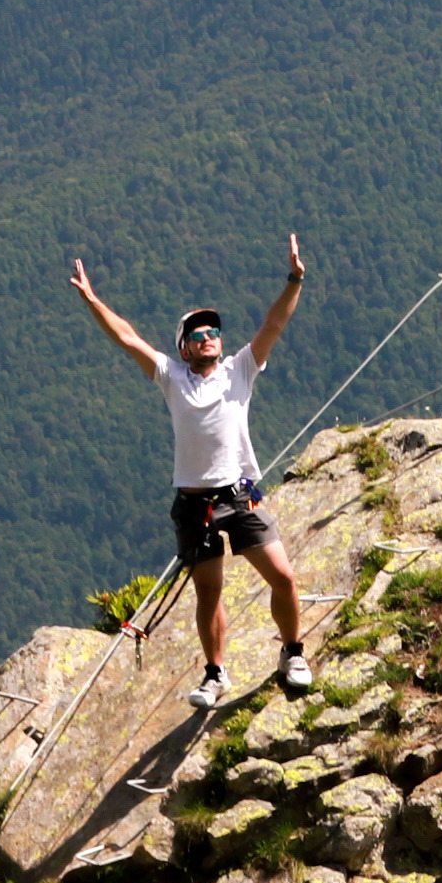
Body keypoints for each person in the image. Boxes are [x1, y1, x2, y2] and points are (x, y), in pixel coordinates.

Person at [71, 237, 312, 708]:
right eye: (199, 335)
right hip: (194, 504)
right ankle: (215, 674)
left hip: (240, 495)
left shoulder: (240, 369)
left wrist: (295, 279)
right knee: (209, 593)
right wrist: (93, 300)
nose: (209, 338)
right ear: (184, 348)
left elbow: (275, 323)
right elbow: (127, 338)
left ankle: (293, 653)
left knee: (282, 577)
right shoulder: (170, 376)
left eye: (214, 333)